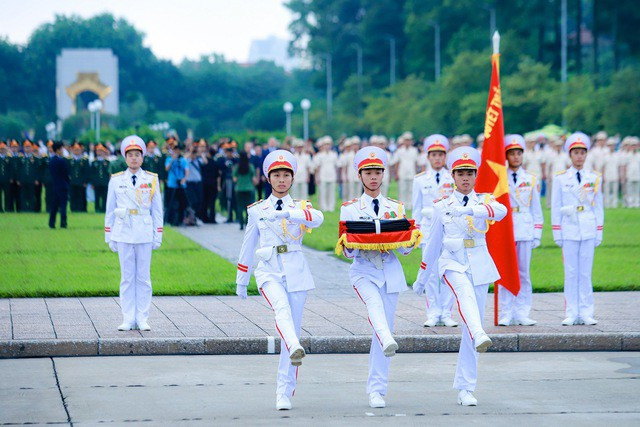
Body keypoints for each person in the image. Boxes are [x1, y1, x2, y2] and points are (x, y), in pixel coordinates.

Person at [235, 149, 324, 411]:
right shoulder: (257, 210)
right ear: (268, 178)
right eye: (277, 175)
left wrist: (289, 215)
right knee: (281, 311)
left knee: (289, 331)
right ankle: (295, 345)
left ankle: (284, 391)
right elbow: (247, 244)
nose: (282, 179)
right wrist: (242, 279)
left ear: (293, 178)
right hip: (269, 270)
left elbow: (318, 219)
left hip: (296, 271)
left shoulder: (301, 207)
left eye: (286, 175)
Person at [420, 146, 507, 406]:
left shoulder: (485, 201)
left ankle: (466, 387)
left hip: (478, 264)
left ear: (476, 174)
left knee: (471, 326)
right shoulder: (441, 206)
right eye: (460, 173)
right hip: (452, 263)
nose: (465, 178)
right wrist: (422, 278)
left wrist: (472, 211)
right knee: (465, 299)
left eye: (470, 173)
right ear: (453, 176)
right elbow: (433, 244)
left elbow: (501, 212)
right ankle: (479, 332)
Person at [339, 146, 416, 409]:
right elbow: (348, 252)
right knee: (375, 310)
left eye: (377, 172)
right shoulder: (349, 209)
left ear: (384, 175)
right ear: (359, 176)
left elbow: (405, 249)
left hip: (390, 272)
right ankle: (386, 337)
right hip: (364, 271)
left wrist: (410, 238)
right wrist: (352, 242)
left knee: (381, 332)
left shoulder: (395, 207)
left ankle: (377, 390)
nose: (373, 177)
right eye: (368, 172)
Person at [105, 135, 163, 331]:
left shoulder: (152, 179)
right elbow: (109, 210)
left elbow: (157, 211)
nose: (134, 158)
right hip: (123, 232)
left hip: (144, 231)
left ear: (143, 157)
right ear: (125, 157)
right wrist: (109, 235)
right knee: (127, 277)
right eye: (130, 155)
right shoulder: (116, 180)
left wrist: (158, 234)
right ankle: (128, 318)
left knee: (144, 277)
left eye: (137, 155)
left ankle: (143, 318)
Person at [552, 132, 604, 326]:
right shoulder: (561, 178)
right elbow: (556, 207)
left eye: (582, 152)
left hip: (588, 226)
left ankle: (587, 311)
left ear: (586, 154)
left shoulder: (595, 178)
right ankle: (572, 312)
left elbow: (599, 206)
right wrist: (557, 231)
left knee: (585, 273)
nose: (579, 156)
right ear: (570, 154)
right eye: (576, 152)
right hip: (570, 228)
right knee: (571, 272)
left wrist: (599, 230)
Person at [412, 134, 457, 327]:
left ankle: (446, 312)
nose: (438, 158)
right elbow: (415, 208)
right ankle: (433, 312)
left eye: (441, 154)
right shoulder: (420, 180)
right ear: (428, 157)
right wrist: (416, 233)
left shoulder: (452, 177)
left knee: (448, 271)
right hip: (429, 231)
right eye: (434, 154)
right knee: (430, 273)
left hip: (448, 230)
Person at [498, 134, 543, 326]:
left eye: (518, 153)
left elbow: (536, 208)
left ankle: (523, 311)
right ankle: (506, 311)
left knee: (524, 273)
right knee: (506, 272)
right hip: (506, 229)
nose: (515, 157)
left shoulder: (530, 179)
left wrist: (537, 233)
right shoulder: (500, 179)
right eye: (512, 153)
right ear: (506, 156)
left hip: (524, 227)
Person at [391, 132, 419, 208]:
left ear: (411, 141)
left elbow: (416, 163)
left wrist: (416, 173)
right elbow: (397, 162)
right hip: (402, 172)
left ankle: (410, 204)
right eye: (406, 140)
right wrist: (396, 173)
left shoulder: (414, 150)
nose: (407, 142)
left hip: (411, 172)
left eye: (409, 140)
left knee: (411, 189)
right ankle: (402, 204)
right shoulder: (399, 150)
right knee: (402, 189)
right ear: (403, 141)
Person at [164, 144, 190, 226]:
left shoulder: (183, 160)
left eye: (178, 150)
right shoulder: (169, 159)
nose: (177, 152)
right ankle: (171, 220)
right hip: (172, 184)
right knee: (172, 204)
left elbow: (186, 170)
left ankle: (180, 220)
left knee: (182, 204)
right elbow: (167, 168)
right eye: (176, 150)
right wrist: (172, 160)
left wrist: (184, 179)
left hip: (181, 185)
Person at [312, 135, 338, 211]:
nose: (327, 146)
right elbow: (317, 168)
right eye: (325, 144)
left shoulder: (334, 154)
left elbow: (336, 166)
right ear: (323, 145)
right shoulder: (319, 155)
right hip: (322, 176)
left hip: (332, 175)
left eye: (328, 144)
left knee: (331, 193)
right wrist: (317, 178)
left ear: (331, 145)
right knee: (323, 193)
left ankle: (331, 207)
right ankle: (323, 207)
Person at [48, 142, 70, 229]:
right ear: (58, 150)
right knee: (63, 206)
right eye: (61, 149)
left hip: (55, 185)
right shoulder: (62, 161)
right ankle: (63, 223)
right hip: (63, 186)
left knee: (54, 206)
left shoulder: (51, 161)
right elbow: (66, 174)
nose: (62, 151)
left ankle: (51, 223)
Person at [233, 151, 256, 230]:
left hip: (239, 188)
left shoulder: (237, 167)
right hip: (249, 188)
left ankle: (241, 223)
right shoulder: (250, 166)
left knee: (240, 206)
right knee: (249, 207)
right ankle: (247, 222)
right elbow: (253, 178)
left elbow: (235, 179)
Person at [201, 146, 221, 223]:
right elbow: (218, 176)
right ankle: (212, 218)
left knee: (205, 202)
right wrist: (218, 186)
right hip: (213, 185)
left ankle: (205, 218)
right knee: (212, 203)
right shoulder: (215, 163)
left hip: (205, 185)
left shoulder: (205, 162)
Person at [69, 142, 89, 212]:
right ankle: (73, 208)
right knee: (73, 195)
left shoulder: (84, 160)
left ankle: (81, 208)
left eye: (78, 150)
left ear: (81, 150)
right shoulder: (69, 159)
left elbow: (87, 172)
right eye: (75, 150)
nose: (76, 151)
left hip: (81, 181)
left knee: (81, 195)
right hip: (73, 180)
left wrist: (86, 181)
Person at [91, 144, 111, 213]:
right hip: (97, 182)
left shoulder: (107, 161)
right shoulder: (94, 162)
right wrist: (92, 183)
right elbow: (92, 173)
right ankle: (97, 208)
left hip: (105, 182)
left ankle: (104, 208)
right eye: (98, 151)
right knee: (97, 196)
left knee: (104, 196)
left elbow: (109, 172)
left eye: (101, 151)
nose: (100, 152)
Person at [602, 137, 621, 208]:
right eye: (610, 145)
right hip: (607, 175)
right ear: (608, 146)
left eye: (613, 145)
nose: (611, 147)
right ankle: (607, 204)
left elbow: (619, 167)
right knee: (607, 191)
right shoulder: (605, 156)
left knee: (615, 191)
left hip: (615, 175)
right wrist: (603, 176)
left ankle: (614, 204)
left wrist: (619, 175)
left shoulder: (617, 155)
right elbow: (603, 167)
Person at [0, 141, 11, 212]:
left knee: (7, 195)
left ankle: (7, 208)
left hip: (6, 179)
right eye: (1, 149)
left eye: (3, 149)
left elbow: (11, 169)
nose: (2, 150)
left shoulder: (8, 158)